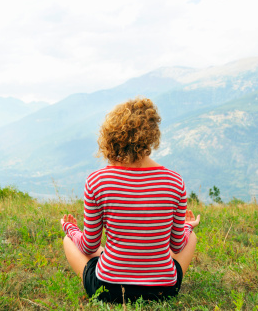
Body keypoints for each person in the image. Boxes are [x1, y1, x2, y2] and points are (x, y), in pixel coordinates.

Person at [61, 97, 200, 303]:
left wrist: (70, 230)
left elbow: (89, 247)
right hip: (162, 292)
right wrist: (188, 227)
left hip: (110, 290)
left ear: (111, 136)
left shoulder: (97, 181)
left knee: (70, 241)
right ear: (151, 137)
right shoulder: (174, 181)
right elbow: (177, 246)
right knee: (192, 238)